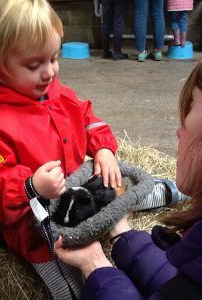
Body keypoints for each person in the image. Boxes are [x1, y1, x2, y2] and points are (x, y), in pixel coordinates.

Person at [0, 0, 121, 299]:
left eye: (54, 58)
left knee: (125, 186)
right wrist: (30, 186)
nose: (50, 72)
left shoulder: (52, 91)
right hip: (36, 223)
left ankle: (169, 191)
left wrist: (104, 149)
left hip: (75, 193)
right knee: (66, 277)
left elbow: (86, 117)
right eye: (34, 65)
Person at [54, 62, 202, 299]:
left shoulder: (59, 94)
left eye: (192, 104)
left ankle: (168, 191)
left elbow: (88, 119)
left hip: (85, 190)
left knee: (135, 190)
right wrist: (122, 231)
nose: (178, 129)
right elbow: (181, 285)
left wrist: (94, 264)